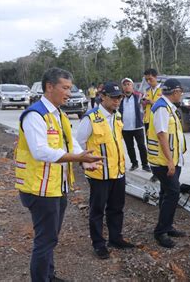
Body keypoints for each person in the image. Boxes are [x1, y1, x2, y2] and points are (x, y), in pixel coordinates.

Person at [14, 67, 102, 281]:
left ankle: (49, 275)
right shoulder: (35, 115)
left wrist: (83, 161)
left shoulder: (59, 115)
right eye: (65, 88)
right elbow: (40, 151)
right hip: (39, 189)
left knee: (50, 238)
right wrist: (78, 159)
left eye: (70, 88)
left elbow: (69, 143)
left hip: (56, 187)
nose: (69, 93)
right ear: (49, 87)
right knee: (44, 240)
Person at [76, 82, 135, 259]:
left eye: (120, 98)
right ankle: (99, 244)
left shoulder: (117, 116)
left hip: (118, 172)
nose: (117, 101)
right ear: (103, 97)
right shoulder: (91, 118)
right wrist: (84, 162)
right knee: (97, 210)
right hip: (99, 173)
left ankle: (115, 238)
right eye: (114, 97)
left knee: (117, 208)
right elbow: (78, 142)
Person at [147, 78, 187, 248]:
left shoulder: (168, 107)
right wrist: (170, 162)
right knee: (173, 193)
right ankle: (160, 231)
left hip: (171, 160)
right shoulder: (162, 108)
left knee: (166, 193)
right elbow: (162, 135)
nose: (182, 95)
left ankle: (167, 226)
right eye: (181, 92)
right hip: (163, 162)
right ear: (175, 92)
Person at [119, 77, 151, 172]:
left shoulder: (138, 97)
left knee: (141, 146)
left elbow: (145, 94)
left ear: (132, 86)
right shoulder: (120, 98)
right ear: (122, 87)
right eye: (125, 85)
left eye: (129, 84)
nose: (127, 86)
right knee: (129, 147)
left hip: (138, 126)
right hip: (125, 128)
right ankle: (134, 163)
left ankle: (145, 164)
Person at [142, 68, 163, 133]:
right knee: (149, 142)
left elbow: (166, 104)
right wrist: (143, 103)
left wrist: (152, 102)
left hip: (159, 121)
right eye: (146, 80)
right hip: (148, 121)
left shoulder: (163, 89)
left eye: (150, 79)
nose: (148, 82)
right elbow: (143, 107)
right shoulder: (147, 91)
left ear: (156, 77)